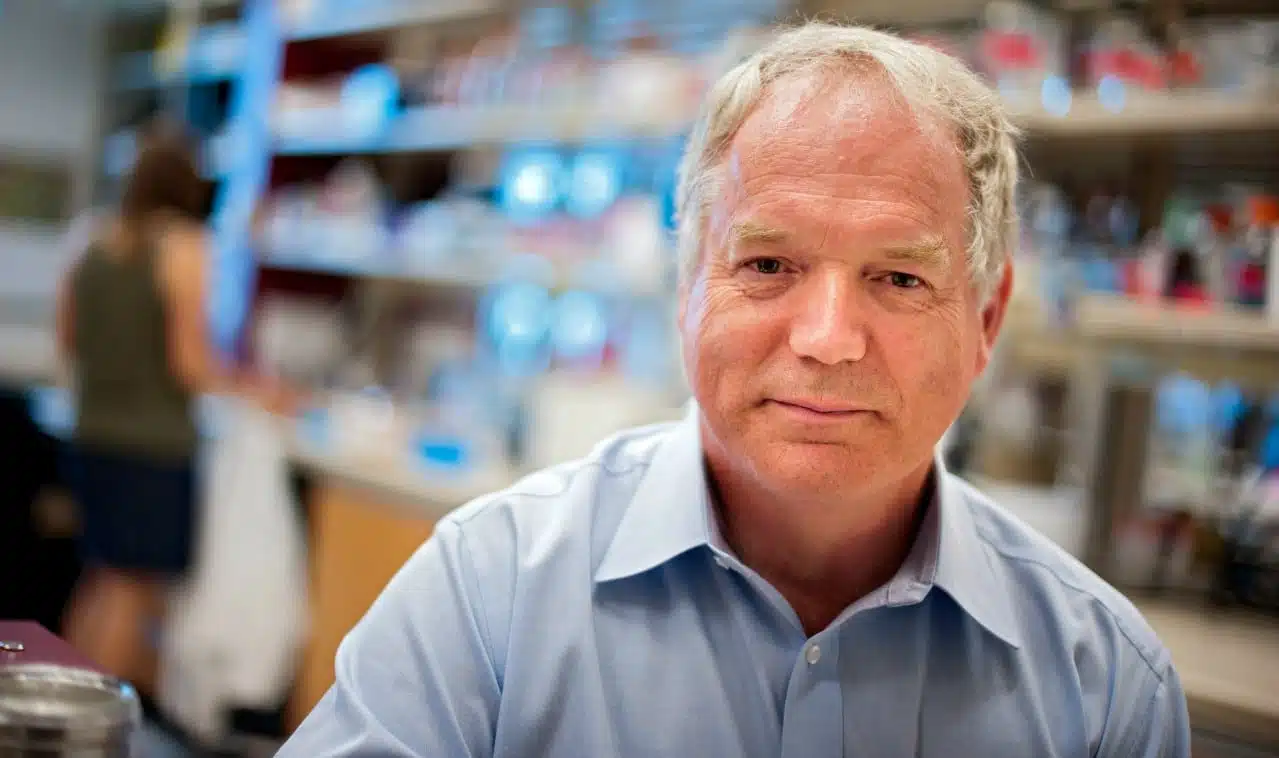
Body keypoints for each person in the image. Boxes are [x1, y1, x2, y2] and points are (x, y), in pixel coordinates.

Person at [278, 23, 1191, 757]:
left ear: (986, 321)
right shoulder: (490, 593)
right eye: (766, 263)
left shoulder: (1102, 687)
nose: (827, 339)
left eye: (900, 280)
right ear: (686, 289)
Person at [55, 123, 292, 693]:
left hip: (91, 435)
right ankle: (95, 736)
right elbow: (191, 365)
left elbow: (67, 341)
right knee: (133, 594)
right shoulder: (184, 247)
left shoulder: (90, 238)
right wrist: (259, 390)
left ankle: (56, 722)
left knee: (100, 582)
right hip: (153, 444)